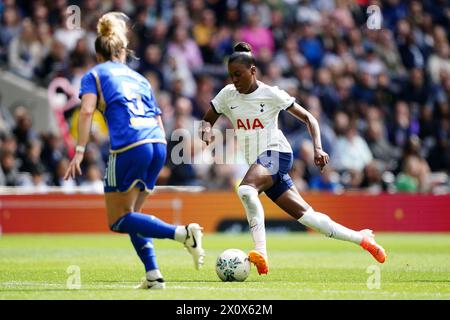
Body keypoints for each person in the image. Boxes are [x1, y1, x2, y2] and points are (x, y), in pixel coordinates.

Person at [200, 42, 386, 275]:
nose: (234, 80)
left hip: (277, 154)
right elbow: (208, 119)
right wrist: (205, 130)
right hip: (261, 165)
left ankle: (261, 253)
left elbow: (310, 118)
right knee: (310, 218)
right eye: (231, 75)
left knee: (246, 190)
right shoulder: (227, 95)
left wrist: (317, 148)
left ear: (253, 70)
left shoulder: (271, 94)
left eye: (238, 74)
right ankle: (363, 239)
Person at [64, 12, 205, 289]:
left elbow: (87, 111)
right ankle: (153, 274)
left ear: (98, 53)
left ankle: (183, 234)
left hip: (130, 145)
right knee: (132, 217)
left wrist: (79, 150)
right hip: (157, 143)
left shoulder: (94, 74)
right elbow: (158, 118)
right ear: (122, 51)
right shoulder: (139, 78)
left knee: (117, 220)